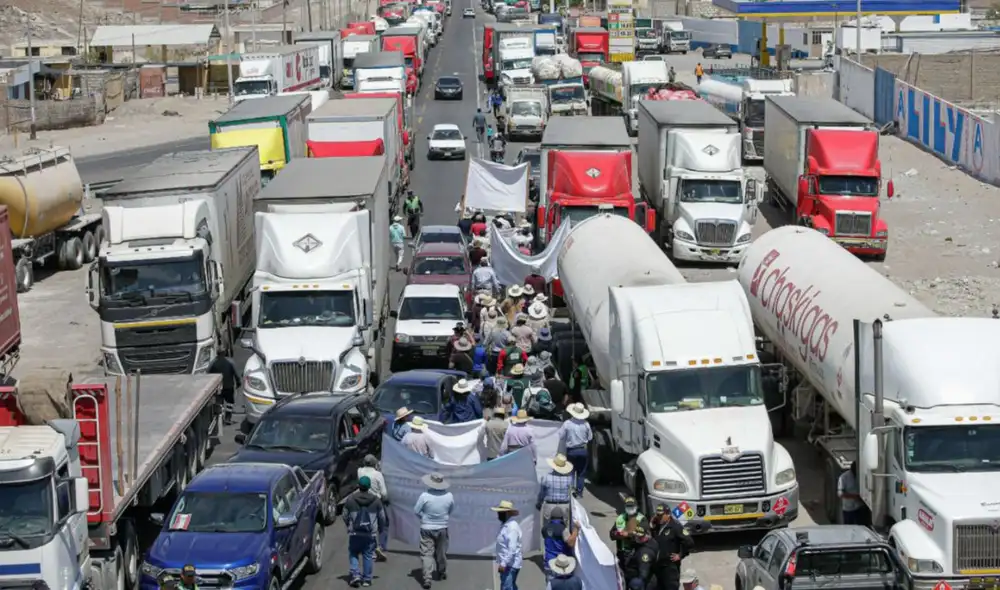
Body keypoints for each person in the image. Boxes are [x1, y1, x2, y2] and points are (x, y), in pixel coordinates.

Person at [343, 475, 388, 587]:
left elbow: (344, 515)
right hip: (370, 533)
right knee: (367, 555)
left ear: (359, 486)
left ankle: (355, 574)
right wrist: (381, 529)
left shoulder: (350, 499)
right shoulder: (376, 501)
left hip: (355, 532)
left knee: (353, 552)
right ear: (369, 487)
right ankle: (367, 579)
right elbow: (382, 517)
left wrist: (349, 524)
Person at [414, 473, 456, 589]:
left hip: (426, 528)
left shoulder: (425, 496)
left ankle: (427, 578)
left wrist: (424, 517)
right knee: (441, 552)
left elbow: (416, 510)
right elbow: (451, 510)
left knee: (426, 554)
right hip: (442, 527)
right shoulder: (449, 496)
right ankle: (441, 571)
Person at [651, 507, 694, 590]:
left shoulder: (675, 527)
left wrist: (681, 555)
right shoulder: (657, 526)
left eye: (661, 515)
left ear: (668, 515)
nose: (659, 517)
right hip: (658, 566)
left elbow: (689, 542)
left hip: (670, 567)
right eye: (657, 515)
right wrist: (652, 525)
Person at [358, 455, 390, 560]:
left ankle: (371, 546)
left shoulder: (360, 472)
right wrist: (386, 500)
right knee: (384, 523)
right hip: (376, 501)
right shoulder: (378, 475)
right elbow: (384, 493)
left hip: (363, 501)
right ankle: (382, 546)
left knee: (368, 524)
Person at [559, 403, 593, 496]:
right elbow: (590, 438)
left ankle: (569, 492)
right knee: (581, 473)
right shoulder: (586, 424)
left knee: (570, 471)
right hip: (583, 450)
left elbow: (561, 436)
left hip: (571, 450)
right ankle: (579, 492)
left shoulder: (567, 424)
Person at [493, 500, 524, 590]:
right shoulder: (506, 525)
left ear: (507, 513)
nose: (498, 515)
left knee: (506, 587)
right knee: (510, 586)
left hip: (510, 564)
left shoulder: (511, 527)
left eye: (501, 513)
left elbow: (512, 548)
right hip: (508, 563)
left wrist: (503, 563)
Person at [611, 496, 649, 569]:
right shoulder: (620, 518)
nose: (630, 508)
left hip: (635, 553)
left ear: (636, 507)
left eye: (632, 506)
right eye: (628, 506)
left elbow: (643, 536)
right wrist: (618, 534)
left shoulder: (642, 519)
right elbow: (612, 534)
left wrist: (628, 535)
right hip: (622, 553)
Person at [537, 454, 575, 522]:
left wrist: (539, 503)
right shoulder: (569, 479)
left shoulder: (547, 477)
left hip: (549, 505)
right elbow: (571, 491)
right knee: (564, 528)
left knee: (546, 529)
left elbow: (542, 493)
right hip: (564, 505)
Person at [622, 524, 660, 590]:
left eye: (640, 537)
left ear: (646, 535)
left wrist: (635, 586)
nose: (636, 538)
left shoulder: (645, 553)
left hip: (641, 582)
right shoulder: (650, 542)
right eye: (636, 536)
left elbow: (643, 574)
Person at [208, 355, 240, 425]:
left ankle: (220, 419)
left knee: (219, 403)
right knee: (230, 403)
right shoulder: (230, 362)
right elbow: (235, 373)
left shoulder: (213, 362)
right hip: (228, 387)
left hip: (218, 387)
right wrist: (238, 382)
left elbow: (208, 373)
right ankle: (228, 418)